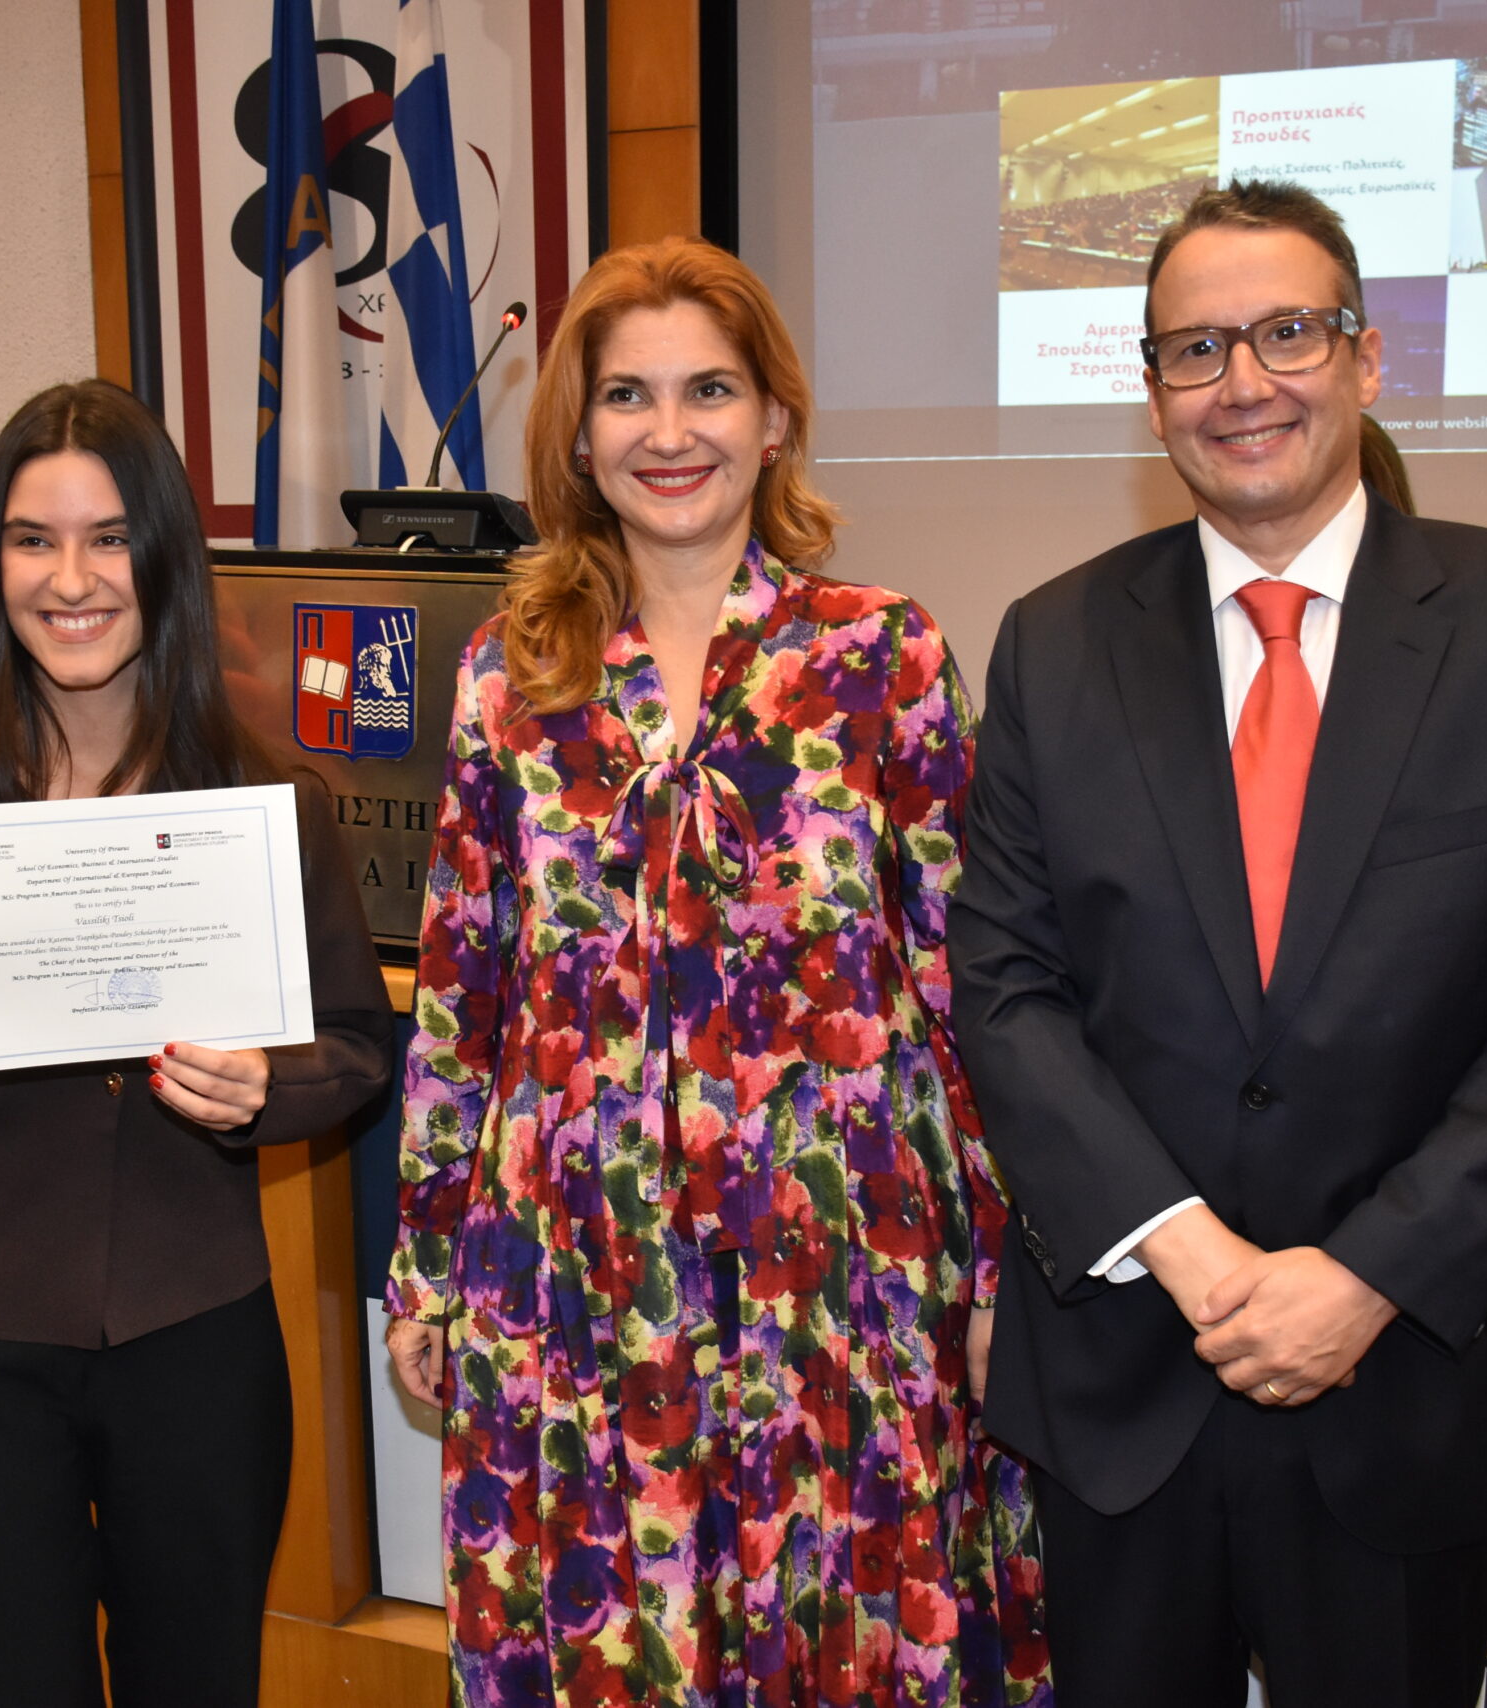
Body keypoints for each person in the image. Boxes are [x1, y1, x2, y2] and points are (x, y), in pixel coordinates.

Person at [949, 181, 1487, 1707]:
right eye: (1196, 349)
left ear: (1366, 355)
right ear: (1153, 392)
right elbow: (1007, 990)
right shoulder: (1054, 642)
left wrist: (1364, 1277)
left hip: (1414, 1383)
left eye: (1286, 332)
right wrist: (1190, 1249)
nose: (1243, 383)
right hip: (1130, 1376)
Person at [382, 237, 1051, 1708]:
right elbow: (461, 990)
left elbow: (969, 988)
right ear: (577, 434)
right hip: (575, 1265)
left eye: (710, 390)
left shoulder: (882, 654)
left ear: (775, 419)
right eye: (627, 395)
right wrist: (424, 1265)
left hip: (842, 1265)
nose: (669, 431)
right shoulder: (508, 674)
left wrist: (1008, 1263)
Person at [0, 379, 392, 1707]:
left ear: (164, 557)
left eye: (109, 538)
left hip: (195, 1327)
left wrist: (264, 1088)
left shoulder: (267, 803)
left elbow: (354, 1046)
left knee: (197, 1674)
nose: (71, 580)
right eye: (32, 540)